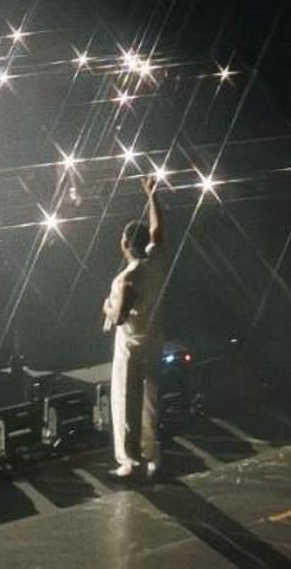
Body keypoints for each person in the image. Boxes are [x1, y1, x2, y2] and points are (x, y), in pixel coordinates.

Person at [101, 176, 166, 478]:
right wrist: (152, 197)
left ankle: (130, 460)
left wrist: (106, 306)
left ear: (126, 244)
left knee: (126, 401)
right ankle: (153, 454)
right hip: (153, 340)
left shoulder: (128, 278)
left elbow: (118, 317)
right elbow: (158, 231)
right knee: (150, 401)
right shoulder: (154, 262)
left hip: (130, 346)